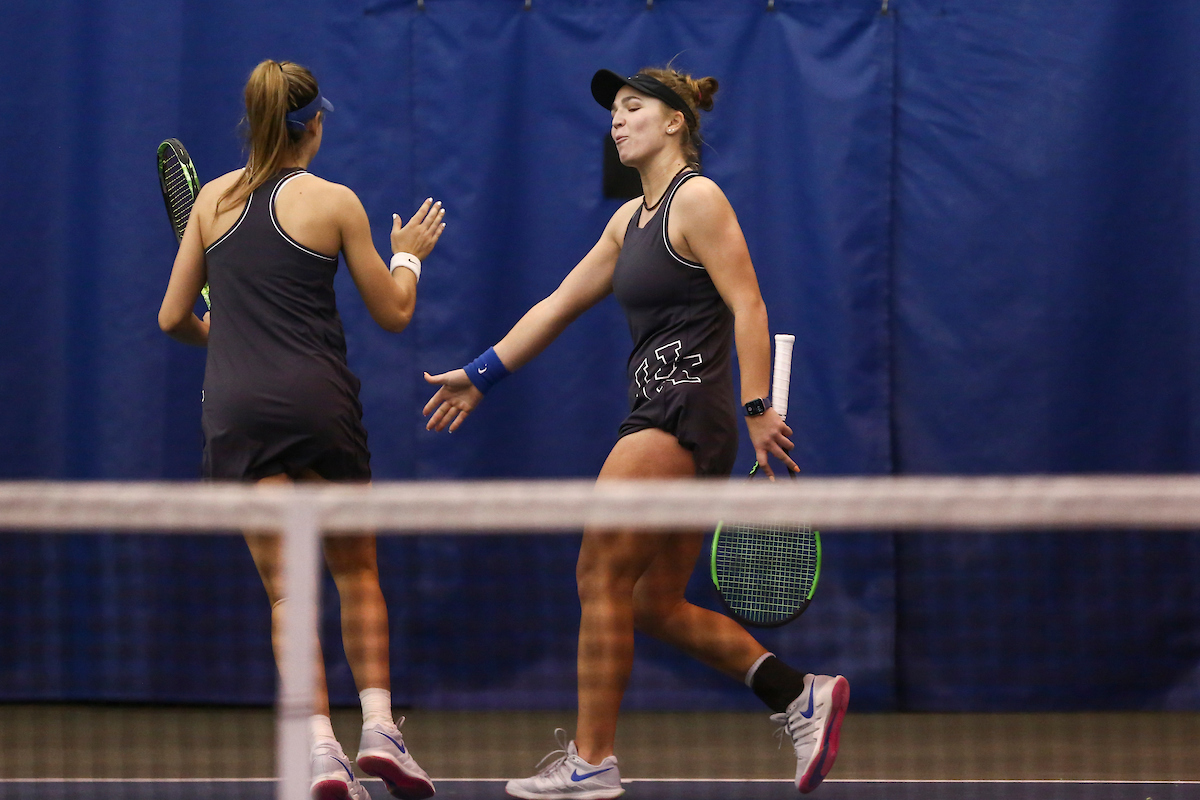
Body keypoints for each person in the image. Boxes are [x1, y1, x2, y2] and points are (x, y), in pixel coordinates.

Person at [422, 66, 849, 797]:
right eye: (614, 113)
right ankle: (798, 693)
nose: (617, 122)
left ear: (675, 121)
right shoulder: (627, 221)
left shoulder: (699, 199)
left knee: (598, 571)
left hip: (681, 412)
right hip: (671, 417)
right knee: (650, 601)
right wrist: (480, 373)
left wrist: (755, 409)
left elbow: (749, 305)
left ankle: (593, 760)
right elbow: (558, 305)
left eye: (632, 108)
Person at [158, 59, 444, 800]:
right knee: (356, 574)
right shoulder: (335, 202)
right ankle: (379, 727)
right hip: (319, 405)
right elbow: (395, 312)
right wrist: (409, 253)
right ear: (312, 124)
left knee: (289, 595)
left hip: (236, 408)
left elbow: (171, 318)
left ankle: (320, 749)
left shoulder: (211, 202)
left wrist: (218, 330)